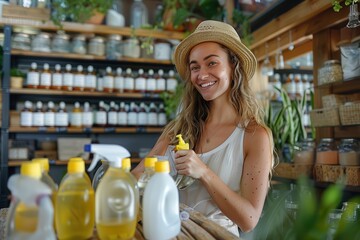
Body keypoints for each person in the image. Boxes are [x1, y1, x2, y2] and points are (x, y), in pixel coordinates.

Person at [132, 20, 274, 237]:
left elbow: (249, 219)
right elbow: (138, 177)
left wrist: (204, 173)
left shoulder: (254, 136)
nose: (202, 74)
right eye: (195, 67)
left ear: (233, 66)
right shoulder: (179, 129)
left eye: (212, 63)